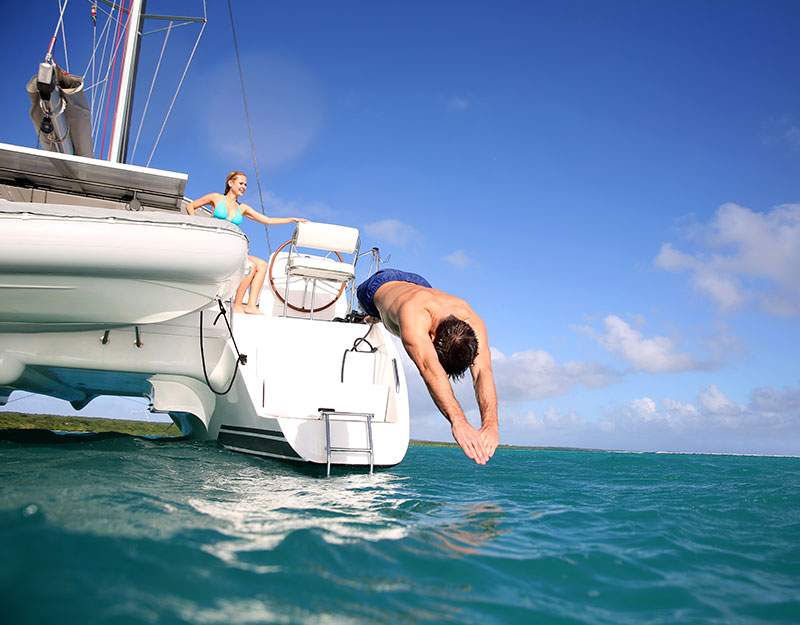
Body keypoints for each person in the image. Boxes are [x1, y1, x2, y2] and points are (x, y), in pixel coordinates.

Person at [357, 269, 499, 465]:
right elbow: (430, 368)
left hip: (420, 285)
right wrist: (458, 420)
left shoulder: (471, 321)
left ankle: (385, 313)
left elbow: (483, 372)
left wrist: (491, 425)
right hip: (377, 287)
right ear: (431, 337)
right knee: (381, 313)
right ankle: (372, 315)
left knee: (403, 317)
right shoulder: (413, 315)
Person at [186, 171, 307, 314]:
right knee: (250, 265)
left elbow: (267, 220)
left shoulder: (242, 208)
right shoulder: (216, 198)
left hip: (232, 249)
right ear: (231, 183)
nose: (244, 187)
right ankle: (237, 305)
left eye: (245, 185)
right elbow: (190, 206)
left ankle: (250, 305)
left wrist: (292, 219)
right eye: (241, 183)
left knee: (262, 265)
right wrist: (199, 227)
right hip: (217, 246)